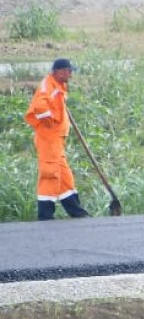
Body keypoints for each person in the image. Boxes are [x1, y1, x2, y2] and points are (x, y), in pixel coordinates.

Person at [24, 57, 90, 221]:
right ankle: (45, 216)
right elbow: (40, 107)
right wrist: (51, 124)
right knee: (50, 174)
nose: (71, 74)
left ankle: (77, 212)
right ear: (60, 72)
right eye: (69, 71)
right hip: (48, 140)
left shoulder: (58, 85)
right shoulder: (48, 86)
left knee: (64, 175)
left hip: (56, 140)